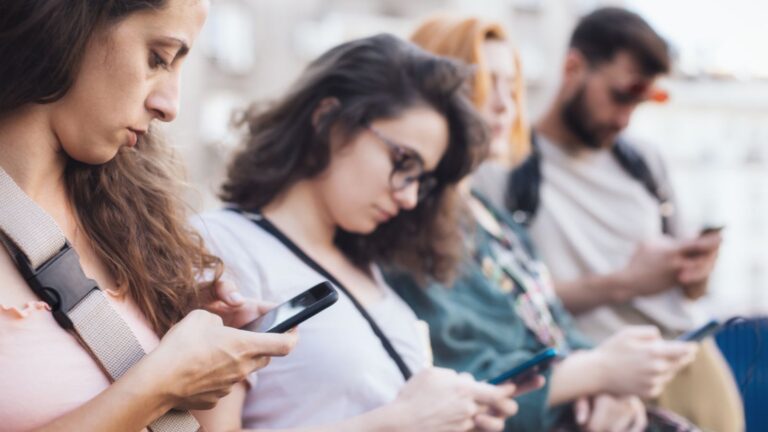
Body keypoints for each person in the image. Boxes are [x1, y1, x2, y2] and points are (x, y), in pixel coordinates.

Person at [192, 34, 523, 431]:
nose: (410, 197)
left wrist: (456, 414)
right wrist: (402, 421)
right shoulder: (222, 246)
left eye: (422, 179)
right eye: (403, 161)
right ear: (328, 120)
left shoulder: (366, 264)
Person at [385, 15, 699, 432]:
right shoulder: (406, 225)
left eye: (510, 85)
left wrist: (608, 388)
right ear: (429, 92)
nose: (503, 104)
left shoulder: (487, 215)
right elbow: (461, 370)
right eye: (482, 84)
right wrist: (599, 373)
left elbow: (556, 325)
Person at [0, 1, 296, 430]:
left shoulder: (126, 215)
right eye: (158, 58)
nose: (169, 105)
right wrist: (162, 381)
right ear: (68, 25)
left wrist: (189, 339)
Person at [496, 7, 743, 431]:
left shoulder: (644, 161)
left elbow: (690, 292)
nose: (626, 116)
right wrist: (626, 283)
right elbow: (509, 306)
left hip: (692, 361)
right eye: (621, 94)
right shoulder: (506, 169)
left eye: (642, 100)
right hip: (601, 384)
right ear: (573, 67)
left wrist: (695, 269)